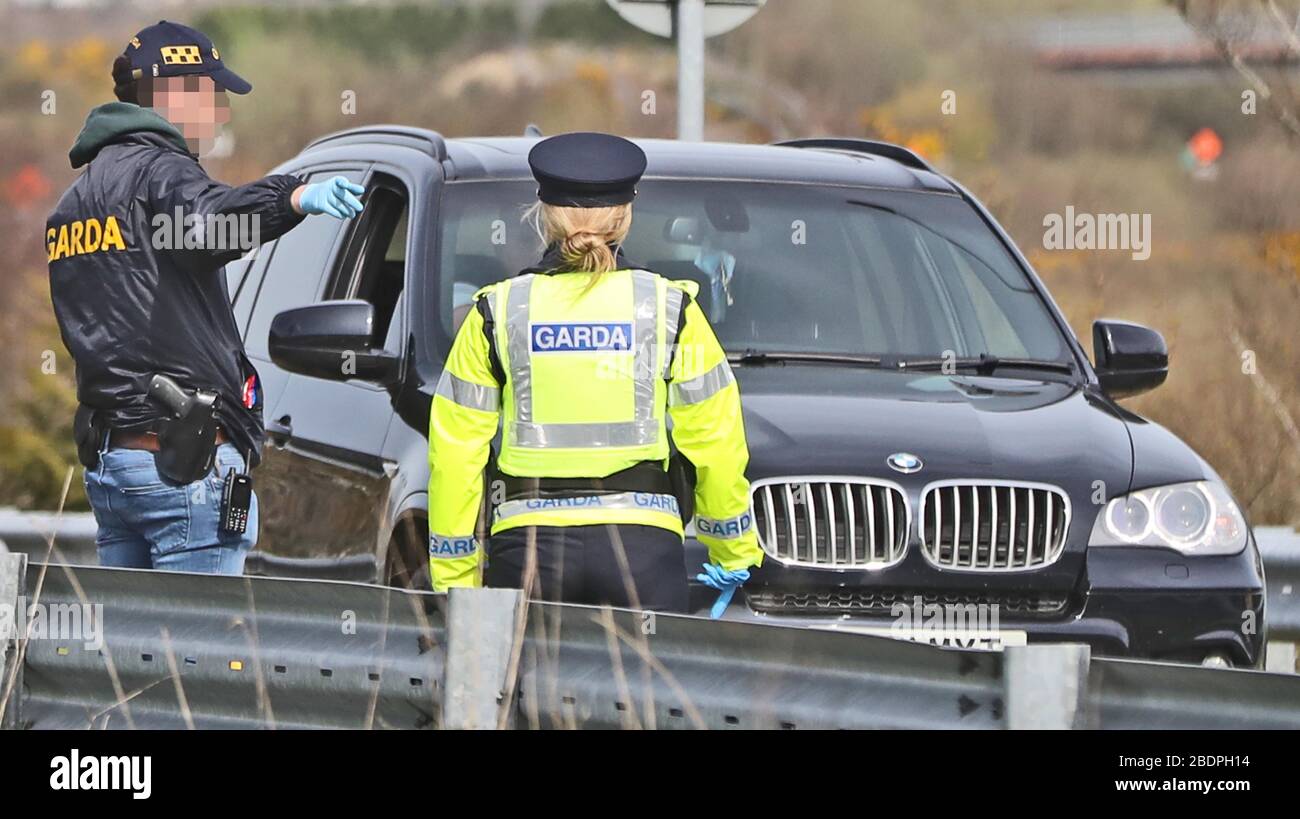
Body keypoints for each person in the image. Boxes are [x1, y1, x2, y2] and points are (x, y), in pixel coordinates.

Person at [47, 21, 366, 574]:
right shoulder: (162, 173)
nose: (221, 113)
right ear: (177, 93)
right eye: (214, 95)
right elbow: (210, 227)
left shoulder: (76, 202)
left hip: (114, 466)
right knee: (194, 657)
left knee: (128, 654)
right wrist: (292, 198)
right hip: (181, 467)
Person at [427, 131, 763, 614]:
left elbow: (455, 454)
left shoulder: (495, 311)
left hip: (528, 551)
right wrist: (733, 550)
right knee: (646, 689)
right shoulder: (671, 307)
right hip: (642, 551)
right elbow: (715, 439)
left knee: (521, 690)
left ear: (544, 214)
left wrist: (454, 577)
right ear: (625, 217)